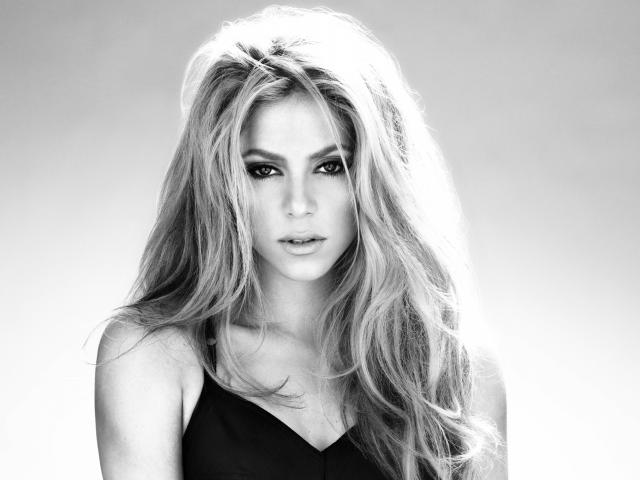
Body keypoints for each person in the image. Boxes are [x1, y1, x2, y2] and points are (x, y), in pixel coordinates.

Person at [94, 5, 507, 480]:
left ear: (375, 177)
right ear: (221, 181)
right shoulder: (152, 357)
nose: (299, 204)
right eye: (264, 170)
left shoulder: (456, 368)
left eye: (330, 166)